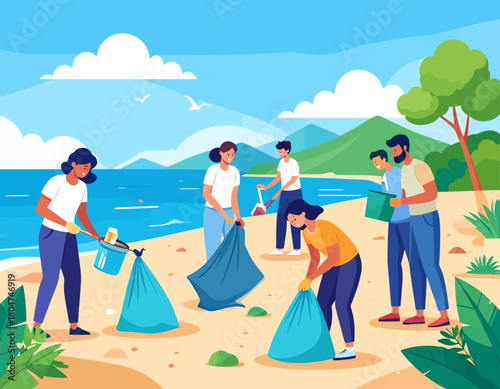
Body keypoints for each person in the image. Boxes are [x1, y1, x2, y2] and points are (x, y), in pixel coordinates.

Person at [34, 148, 102, 338]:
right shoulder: (56, 182)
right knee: (50, 279)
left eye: (88, 169)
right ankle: (36, 327)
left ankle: (74, 327)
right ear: (73, 164)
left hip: (69, 236)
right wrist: (65, 223)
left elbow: (82, 215)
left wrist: (96, 236)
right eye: (84, 167)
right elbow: (40, 208)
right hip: (50, 233)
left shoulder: (82, 187)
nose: (86, 171)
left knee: (74, 279)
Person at [285, 199, 361, 360]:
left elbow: (333, 258)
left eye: (294, 219)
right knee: (323, 303)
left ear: (303, 214)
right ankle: (322, 344)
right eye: (290, 221)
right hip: (334, 265)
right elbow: (314, 259)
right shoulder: (306, 233)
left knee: (342, 304)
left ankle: (349, 349)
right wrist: (307, 279)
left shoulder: (325, 227)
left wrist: (312, 277)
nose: (293, 223)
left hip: (349, 263)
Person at [387, 134, 450, 328]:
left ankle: (444, 314)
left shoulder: (420, 167)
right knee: (416, 265)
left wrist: (403, 201)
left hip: (427, 217)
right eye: (392, 151)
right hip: (412, 219)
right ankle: (419, 313)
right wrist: (396, 202)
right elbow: (407, 193)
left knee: (431, 265)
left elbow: (432, 193)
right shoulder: (405, 169)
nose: (394, 154)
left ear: (405, 148)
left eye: (396, 150)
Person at [369, 149, 411, 322]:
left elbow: (406, 193)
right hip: (392, 223)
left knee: (413, 264)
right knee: (392, 264)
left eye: (377, 161)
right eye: (374, 163)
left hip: (407, 221)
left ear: (385, 159)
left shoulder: (398, 173)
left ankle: (419, 311)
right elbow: (386, 200)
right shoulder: (384, 177)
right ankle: (395, 311)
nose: (376, 164)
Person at [257, 140, 302, 256]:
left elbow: (294, 179)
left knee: (295, 219)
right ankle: (279, 249)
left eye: (281, 151)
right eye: (278, 151)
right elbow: (278, 178)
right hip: (284, 193)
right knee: (281, 218)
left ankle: (297, 249)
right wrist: (266, 187)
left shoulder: (294, 163)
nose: (279, 153)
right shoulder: (281, 163)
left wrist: (281, 189)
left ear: (287, 150)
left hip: (295, 193)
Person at [202, 141, 244, 260]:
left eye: (233, 154)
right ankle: (211, 276)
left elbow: (234, 196)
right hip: (212, 212)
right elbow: (206, 193)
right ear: (221, 152)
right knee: (212, 247)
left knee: (231, 247)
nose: (230, 157)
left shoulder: (235, 171)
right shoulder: (212, 169)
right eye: (228, 154)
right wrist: (225, 215)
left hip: (230, 211)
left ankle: (228, 275)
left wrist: (238, 217)